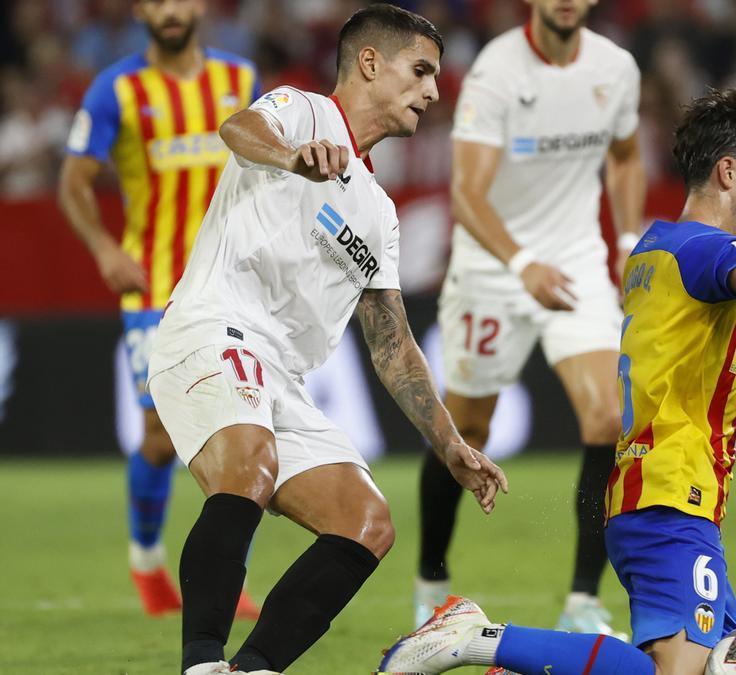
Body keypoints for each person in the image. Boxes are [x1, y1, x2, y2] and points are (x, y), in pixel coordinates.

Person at [377, 86, 736, 675]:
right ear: (728, 171)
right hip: (669, 501)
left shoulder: (660, 247)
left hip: (652, 496)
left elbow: (733, 244)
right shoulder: (703, 253)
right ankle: (479, 638)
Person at [144, 6, 508, 674]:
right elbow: (238, 127)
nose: (433, 91)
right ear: (370, 63)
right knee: (248, 465)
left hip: (279, 377)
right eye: (422, 71)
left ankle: (252, 668)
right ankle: (201, 663)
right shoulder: (302, 111)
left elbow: (392, 342)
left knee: (367, 522)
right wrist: (292, 157)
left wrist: (450, 442)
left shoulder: (378, 210)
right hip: (211, 326)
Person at [415, 0, 645, 636]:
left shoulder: (616, 68)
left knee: (608, 417)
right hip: (493, 270)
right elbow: (467, 191)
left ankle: (581, 602)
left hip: (574, 260)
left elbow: (625, 156)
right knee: (467, 431)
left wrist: (626, 242)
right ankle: (431, 582)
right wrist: (521, 264)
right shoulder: (496, 73)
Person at [59, 0, 261, 619]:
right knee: (158, 431)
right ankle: (146, 558)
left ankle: (224, 577)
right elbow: (74, 180)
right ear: (140, 10)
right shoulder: (115, 88)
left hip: (229, 287)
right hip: (151, 287)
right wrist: (102, 249)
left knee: (241, 435)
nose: (169, 10)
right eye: (156, 0)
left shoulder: (241, 81)